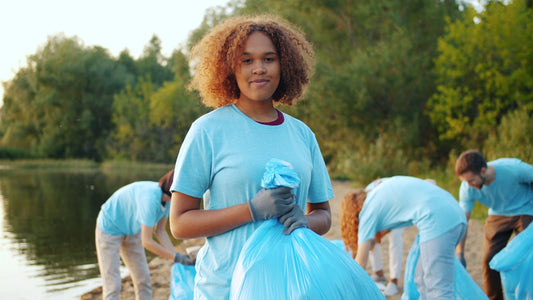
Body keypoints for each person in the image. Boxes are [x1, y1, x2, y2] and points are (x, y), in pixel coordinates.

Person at [168, 14, 334, 299]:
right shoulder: (207, 130)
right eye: (247, 60)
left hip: (292, 287)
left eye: (269, 59)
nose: (259, 68)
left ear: (285, 65)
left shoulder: (303, 134)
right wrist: (252, 210)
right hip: (224, 289)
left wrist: (305, 221)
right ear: (230, 68)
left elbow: (324, 215)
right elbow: (180, 223)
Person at [341, 176, 466, 298]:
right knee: (420, 279)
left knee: (437, 288)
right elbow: (430, 181)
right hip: (456, 214)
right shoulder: (381, 189)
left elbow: (360, 263)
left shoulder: (367, 211)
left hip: (437, 222)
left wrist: (345, 290)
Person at [95, 170, 195, 300]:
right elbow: (147, 241)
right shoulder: (150, 200)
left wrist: (177, 256)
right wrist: (175, 257)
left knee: (143, 278)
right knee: (112, 284)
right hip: (109, 228)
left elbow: (160, 231)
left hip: (132, 231)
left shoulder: (168, 202)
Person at [454, 149, 533, 300]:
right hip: (498, 214)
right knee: (489, 260)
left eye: (471, 180)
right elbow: (464, 220)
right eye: (465, 181)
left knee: (525, 256)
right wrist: (460, 252)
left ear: (483, 171)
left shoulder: (513, 169)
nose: (469, 185)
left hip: (525, 209)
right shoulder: (467, 188)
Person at [364, 178, 404, 296]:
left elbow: (396, 220)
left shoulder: (393, 197)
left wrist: (383, 231)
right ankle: (379, 273)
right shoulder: (366, 196)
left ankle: (394, 281)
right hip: (382, 204)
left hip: (399, 208)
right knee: (370, 236)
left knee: (395, 236)